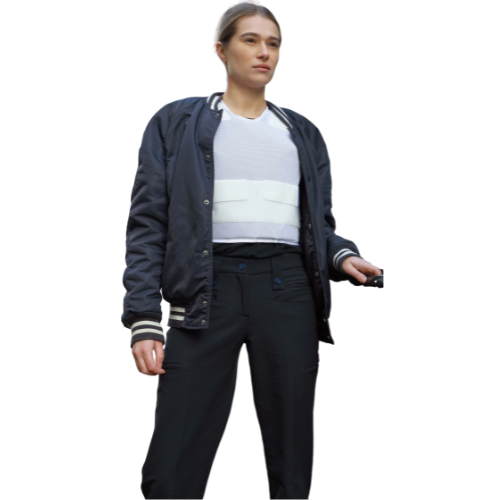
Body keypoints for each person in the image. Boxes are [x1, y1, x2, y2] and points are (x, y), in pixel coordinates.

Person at [121, 2, 383, 498]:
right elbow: (148, 223)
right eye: (251, 40)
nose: (265, 52)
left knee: (291, 452)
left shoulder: (302, 134)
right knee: (174, 459)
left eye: (274, 43)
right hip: (206, 291)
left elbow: (317, 226)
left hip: (288, 292)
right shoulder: (176, 122)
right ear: (221, 50)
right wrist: (143, 317)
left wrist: (342, 256)